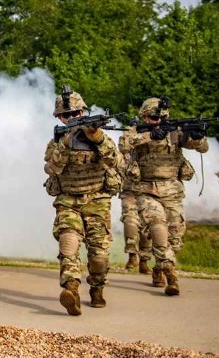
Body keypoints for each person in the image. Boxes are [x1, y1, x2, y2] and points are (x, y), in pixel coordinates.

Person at [43, 89, 123, 315]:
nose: (72, 119)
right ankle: (71, 289)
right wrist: (66, 145)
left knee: (99, 255)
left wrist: (97, 139)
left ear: (83, 112)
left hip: (97, 200)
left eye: (76, 113)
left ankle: (97, 289)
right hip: (68, 199)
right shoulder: (57, 141)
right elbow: (52, 168)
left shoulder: (100, 137)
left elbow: (116, 161)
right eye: (66, 116)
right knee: (68, 242)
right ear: (60, 118)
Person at [120, 97, 208, 295]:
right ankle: (171, 276)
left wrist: (197, 136)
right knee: (159, 230)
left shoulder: (175, 133)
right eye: (153, 118)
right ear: (144, 116)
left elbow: (202, 147)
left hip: (172, 192)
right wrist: (151, 135)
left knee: (175, 238)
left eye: (161, 118)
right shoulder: (136, 132)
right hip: (146, 190)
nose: (158, 121)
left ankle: (159, 268)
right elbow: (124, 144)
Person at [119, 127, 153, 275]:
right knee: (130, 222)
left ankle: (144, 260)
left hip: (150, 191)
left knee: (148, 227)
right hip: (130, 191)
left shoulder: (155, 147)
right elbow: (124, 145)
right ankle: (132, 256)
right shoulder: (129, 142)